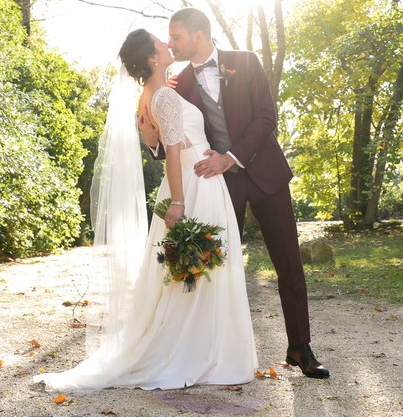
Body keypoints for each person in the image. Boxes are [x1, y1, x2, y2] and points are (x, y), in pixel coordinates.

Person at [34, 29, 256, 393]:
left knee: (199, 269)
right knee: (202, 268)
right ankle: (201, 352)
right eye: (161, 41)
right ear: (152, 58)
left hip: (193, 177)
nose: (168, 44)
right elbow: (171, 151)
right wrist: (180, 202)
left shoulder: (153, 94)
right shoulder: (164, 95)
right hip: (194, 183)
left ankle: (206, 349)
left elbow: (161, 141)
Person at [140, 7, 330, 379]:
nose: (172, 43)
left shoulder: (246, 62)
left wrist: (231, 157)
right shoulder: (178, 83)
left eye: (176, 36)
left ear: (198, 34)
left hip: (265, 174)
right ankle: (215, 353)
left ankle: (300, 347)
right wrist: (150, 138)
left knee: (289, 264)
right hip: (218, 189)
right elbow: (173, 141)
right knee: (218, 271)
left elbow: (266, 117)